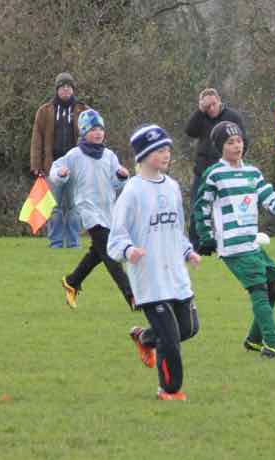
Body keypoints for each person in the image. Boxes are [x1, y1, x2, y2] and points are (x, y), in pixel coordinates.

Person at [108, 124, 201, 401]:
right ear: (144, 155)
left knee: (189, 328)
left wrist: (188, 251)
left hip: (176, 274)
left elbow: (177, 229)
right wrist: (128, 250)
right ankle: (169, 390)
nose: (166, 154)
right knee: (170, 340)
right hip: (149, 278)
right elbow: (115, 238)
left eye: (167, 149)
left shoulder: (172, 187)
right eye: (159, 150)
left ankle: (145, 338)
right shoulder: (132, 191)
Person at [194, 121, 275, 360]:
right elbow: (201, 207)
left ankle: (254, 340)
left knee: (272, 288)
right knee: (259, 289)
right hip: (233, 245)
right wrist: (206, 236)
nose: (236, 146)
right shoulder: (214, 174)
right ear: (221, 147)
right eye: (230, 142)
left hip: (251, 243)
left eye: (239, 141)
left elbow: (268, 195)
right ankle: (273, 344)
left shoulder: (252, 172)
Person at [49, 109, 134, 310]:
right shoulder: (74, 155)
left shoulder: (109, 156)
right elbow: (55, 171)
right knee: (110, 253)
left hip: (108, 211)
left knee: (98, 251)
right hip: (87, 211)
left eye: (100, 129)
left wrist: (122, 176)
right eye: (93, 129)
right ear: (84, 132)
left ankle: (72, 281)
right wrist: (60, 174)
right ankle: (132, 296)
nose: (98, 133)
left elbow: (116, 183)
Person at [184, 88, 248, 248]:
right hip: (203, 173)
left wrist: (235, 163)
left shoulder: (233, 117)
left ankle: (233, 242)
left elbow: (244, 142)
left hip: (226, 172)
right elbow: (189, 131)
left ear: (219, 101)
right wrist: (199, 112)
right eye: (207, 106)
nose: (211, 108)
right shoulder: (201, 117)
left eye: (213, 104)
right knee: (197, 209)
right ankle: (196, 245)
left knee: (231, 209)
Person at [30, 72, 87, 248]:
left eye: (69, 86)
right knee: (54, 207)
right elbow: (36, 140)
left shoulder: (83, 110)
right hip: (51, 166)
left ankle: (73, 242)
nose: (66, 90)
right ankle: (55, 242)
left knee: (73, 207)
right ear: (57, 89)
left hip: (75, 167)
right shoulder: (44, 111)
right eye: (62, 87)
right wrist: (36, 165)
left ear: (73, 89)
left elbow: (93, 136)